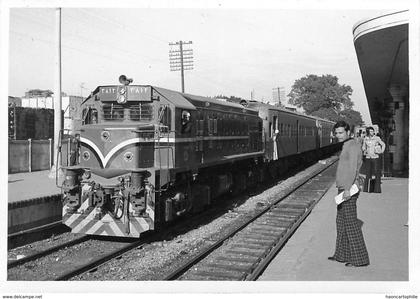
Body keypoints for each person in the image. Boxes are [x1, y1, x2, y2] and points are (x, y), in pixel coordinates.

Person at [328, 120, 369, 267]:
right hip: (343, 188)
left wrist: (346, 189)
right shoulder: (346, 145)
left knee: (351, 224)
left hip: (348, 189)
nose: (338, 135)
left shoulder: (352, 146)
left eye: (341, 132)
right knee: (341, 223)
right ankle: (341, 254)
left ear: (348, 133)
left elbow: (352, 168)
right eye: (336, 132)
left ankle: (359, 259)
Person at [362, 126, 385, 193]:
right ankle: (367, 189)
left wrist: (381, 151)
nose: (372, 132)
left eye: (373, 131)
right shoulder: (365, 139)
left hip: (375, 157)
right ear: (368, 132)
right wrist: (364, 149)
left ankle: (376, 190)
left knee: (376, 172)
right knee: (368, 173)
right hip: (368, 157)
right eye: (371, 131)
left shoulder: (377, 138)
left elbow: (383, 144)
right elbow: (363, 146)